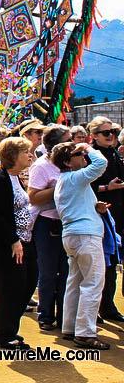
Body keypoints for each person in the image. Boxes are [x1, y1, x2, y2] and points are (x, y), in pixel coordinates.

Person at [51, 141, 114, 350]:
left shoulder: (66, 179)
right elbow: (100, 163)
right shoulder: (74, 178)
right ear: (68, 162)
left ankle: (70, 327)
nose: (83, 157)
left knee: (76, 282)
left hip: (74, 234)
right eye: (77, 155)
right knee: (93, 283)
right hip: (85, 235)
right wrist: (87, 147)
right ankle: (86, 333)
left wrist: (96, 207)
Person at [0, 137, 38, 349]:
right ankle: (4, 335)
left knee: (29, 282)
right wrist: (13, 240)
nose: (30, 155)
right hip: (7, 247)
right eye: (26, 152)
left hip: (24, 241)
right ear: (13, 155)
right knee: (10, 289)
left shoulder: (15, 178)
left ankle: (4, 322)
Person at [27, 124, 72, 330]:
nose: (73, 142)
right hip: (47, 224)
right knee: (47, 272)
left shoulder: (74, 164)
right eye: (68, 139)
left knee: (66, 272)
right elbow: (33, 197)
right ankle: (46, 315)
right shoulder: (41, 166)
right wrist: (60, 189)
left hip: (68, 223)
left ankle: (65, 316)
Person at [85, 116, 124, 322]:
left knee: (113, 264)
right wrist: (108, 188)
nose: (111, 136)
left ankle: (108, 306)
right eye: (106, 133)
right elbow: (85, 186)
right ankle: (97, 308)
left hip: (118, 214)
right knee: (101, 266)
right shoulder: (91, 157)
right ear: (94, 135)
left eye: (114, 132)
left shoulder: (115, 154)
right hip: (99, 215)